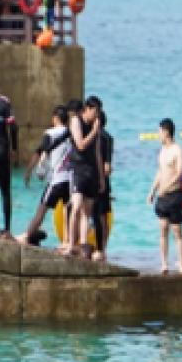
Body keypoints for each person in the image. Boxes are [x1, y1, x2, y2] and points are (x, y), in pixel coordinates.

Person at [19, 105, 71, 244]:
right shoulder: (71, 132)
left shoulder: (51, 133)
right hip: (69, 179)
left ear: (55, 118)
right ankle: (66, 242)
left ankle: (26, 236)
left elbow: (40, 152)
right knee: (67, 211)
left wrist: (29, 171)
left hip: (56, 179)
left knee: (41, 210)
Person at [147, 117, 182, 272]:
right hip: (162, 196)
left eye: (159, 132)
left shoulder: (178, 150)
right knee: (163, 229)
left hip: (174, 195)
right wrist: (152, 191)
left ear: (166, 132)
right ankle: (164, 263)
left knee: (177, 231)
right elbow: (160, 172)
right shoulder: (162, 150)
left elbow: (180, 172)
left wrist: (168, 186)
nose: (158, 135)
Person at [66, 96, 105, 257]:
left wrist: (101, 177)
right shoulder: (76, 120)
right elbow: (80, 144)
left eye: (98, 113)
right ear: (87, 109)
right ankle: (70, 244)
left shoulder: (95, 125)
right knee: (76, 206)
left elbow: (97, 152)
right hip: (78, 169)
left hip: (91, 172)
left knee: (86, 212)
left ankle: (82, 245)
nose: (96, 116)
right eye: (95, 112)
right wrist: (95, 131)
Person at [93, 109, 115, 261]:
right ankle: (103, 248)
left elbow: (106, 167)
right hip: (105, 182)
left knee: (98, 215)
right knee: (103, 215)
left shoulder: (98, 137)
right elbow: (108, 167)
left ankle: (99, 248)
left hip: (96, 181)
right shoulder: (109, 138)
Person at [0, 92, 18, 236]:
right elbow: (13, 127)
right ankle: (7, 229)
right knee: (5, 190)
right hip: (2, 150)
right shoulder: (5, 103)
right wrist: (14, 148)